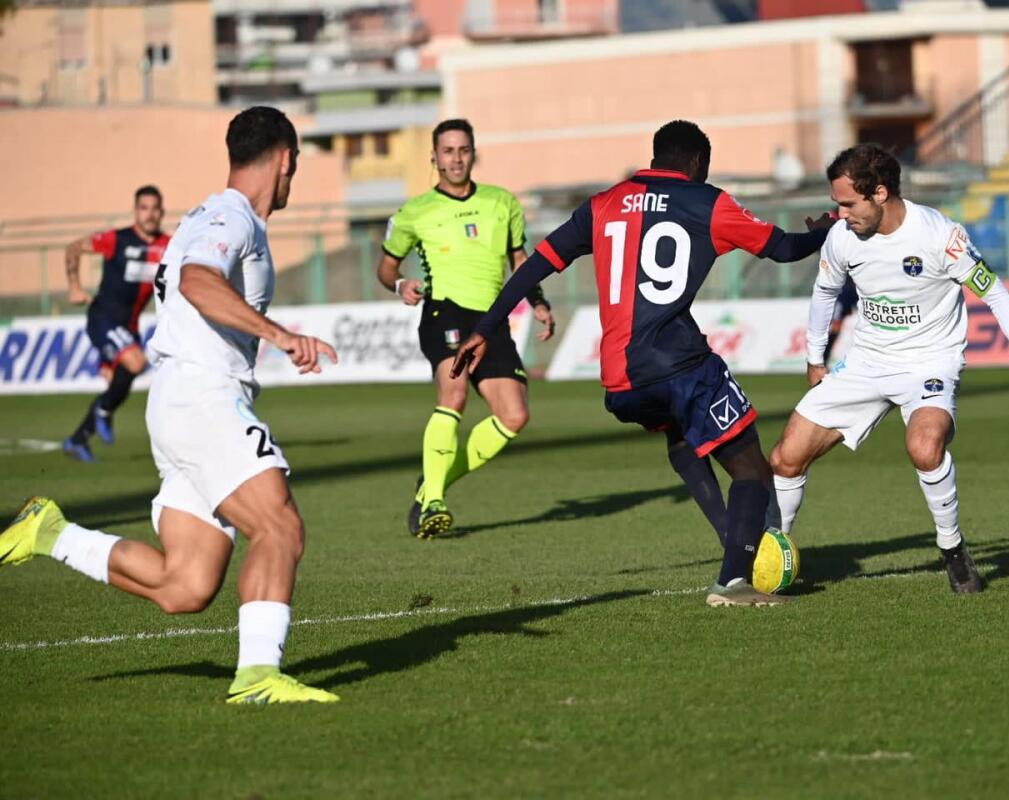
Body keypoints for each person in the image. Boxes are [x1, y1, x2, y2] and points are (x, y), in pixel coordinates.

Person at [0, 106, 341, 704]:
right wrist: (280, 335)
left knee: (184, 584)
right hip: (204, 397)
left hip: (179, 402)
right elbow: (197, 282)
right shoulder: (228, 215)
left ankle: (53, 534)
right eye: (295, 166)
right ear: (285, 158)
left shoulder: (210, 217)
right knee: (279, 526)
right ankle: (258, 677)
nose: (294, 178)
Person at [451, 120, 833, 606]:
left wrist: (485, 329)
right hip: (681, 363)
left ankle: (729, 540)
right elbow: (782, 248)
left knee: (680, 436)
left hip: (620, 381)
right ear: (697, 162)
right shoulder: (707, 201)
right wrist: (822, 232)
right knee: (752, 469)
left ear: (655, 158)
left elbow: (536, 264)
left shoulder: (602, 204)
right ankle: (735, 578)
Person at [768, 144, 1009, 594]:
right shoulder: (842, 236)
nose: (839, 213)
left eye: (848, 203)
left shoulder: (939, 236)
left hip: (930, 361)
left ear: (880, 193)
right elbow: (824, 294)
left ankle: (953, 550)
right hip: (867, 362)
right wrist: (815, 360)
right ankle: (777, 551)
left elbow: (996, 294)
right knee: (785, 458)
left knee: (924, 447)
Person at [376, 118, 554, 539]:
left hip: (491, 320)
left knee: (514, 415)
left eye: (463, 150)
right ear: (434, 158)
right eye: (448, 151)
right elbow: (385, 268)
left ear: (473, 153)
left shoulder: (502, 203)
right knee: (453, 396)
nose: (456, 159)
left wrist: (539, 300)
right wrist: (401, 284)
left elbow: (520, 260)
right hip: (445, 313)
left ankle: (432, 486)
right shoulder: (414, 212)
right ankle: (435, 502)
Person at [62, 186, 170, 462]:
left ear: (161, 211)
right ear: (136, 211)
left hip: (129, 326)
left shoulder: (169, 245)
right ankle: (103, 411)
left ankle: (78, 439)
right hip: (103, 318)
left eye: (154, 208)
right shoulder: (116, 239)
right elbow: (73, 248)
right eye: (144, 207)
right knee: (135, 363)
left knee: (118, 383)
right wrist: (74, 287)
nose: (149, 214)